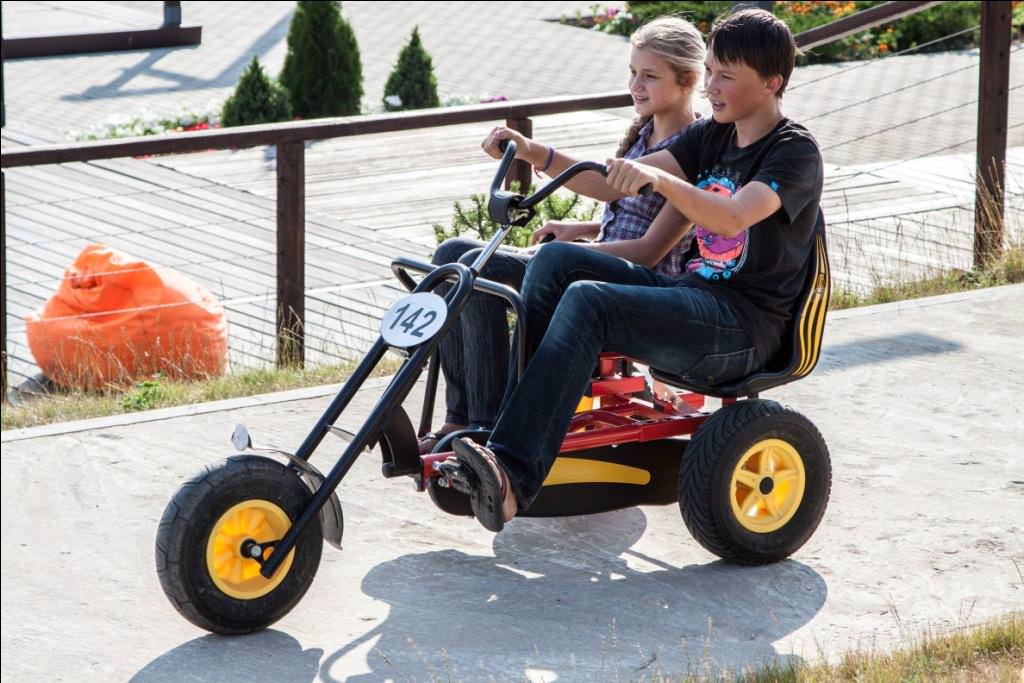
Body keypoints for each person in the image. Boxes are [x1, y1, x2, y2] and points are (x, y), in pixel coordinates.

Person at [450, 8, 827, 532]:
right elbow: (608, 184)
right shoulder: (712, 136)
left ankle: (513, 473)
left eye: (725, 76)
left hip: (740, 328)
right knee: (557, 260)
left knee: (590, 299)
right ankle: (501, 432)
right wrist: (536, 152)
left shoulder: (793, 151)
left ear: (771, 83)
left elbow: (734, 215)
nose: (711, 87)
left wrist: (664, 181)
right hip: (693, 297)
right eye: (710, 71)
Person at [421, 17, 706, 454]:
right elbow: (623, 206)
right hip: (599, 260)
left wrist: (536, 157)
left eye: (650, 76)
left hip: (635, 285)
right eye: (632, 72)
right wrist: (583, 229)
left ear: (687, 81)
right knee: (453, 255)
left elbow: (649, 248)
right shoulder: (645, 132)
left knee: (479, 267)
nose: (635, 85)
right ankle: (461, 416)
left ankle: (486, 422)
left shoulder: (691, 151)